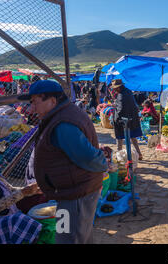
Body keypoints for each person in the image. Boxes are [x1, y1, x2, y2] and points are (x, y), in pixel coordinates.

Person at [17, 80, 108, 244]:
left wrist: (103, 165)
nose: (31, 109)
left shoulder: (63, 124)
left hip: (75, 196)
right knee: (80, 236)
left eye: (34, 102)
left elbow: (90, 157)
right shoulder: (61, 115)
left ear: (52, 101)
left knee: (68, 238)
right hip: (72, 192)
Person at [0, 142, 43, 244]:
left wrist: (31, 190)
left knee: (41, 198)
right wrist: (22, 193)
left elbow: (10, 190)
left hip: (12, 212)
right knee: (20, 219)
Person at [111, 79, 143, 161]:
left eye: (115, 88)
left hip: (124, 121)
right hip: (132, 119)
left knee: (119, 138)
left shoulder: (121, 95)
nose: (114, 90)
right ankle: (139, 154)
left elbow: (121, 109)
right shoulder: (128, 92)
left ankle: (119, 156)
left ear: (118, 87)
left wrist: (116, 119)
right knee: (133, 138)